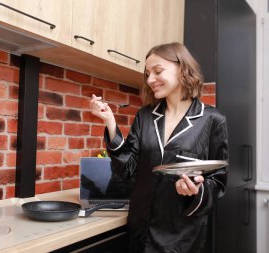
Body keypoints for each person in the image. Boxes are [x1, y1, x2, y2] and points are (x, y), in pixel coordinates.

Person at [90, 42, 229, 253]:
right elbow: (128, 168)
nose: (149, 79)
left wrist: (197, 190)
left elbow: (219, 180)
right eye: (147, 73)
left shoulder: (212, 120)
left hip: (182, 236)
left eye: (157, 71)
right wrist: (110, 123)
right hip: (140, 229)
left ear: (182, 68)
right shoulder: (145, 116)